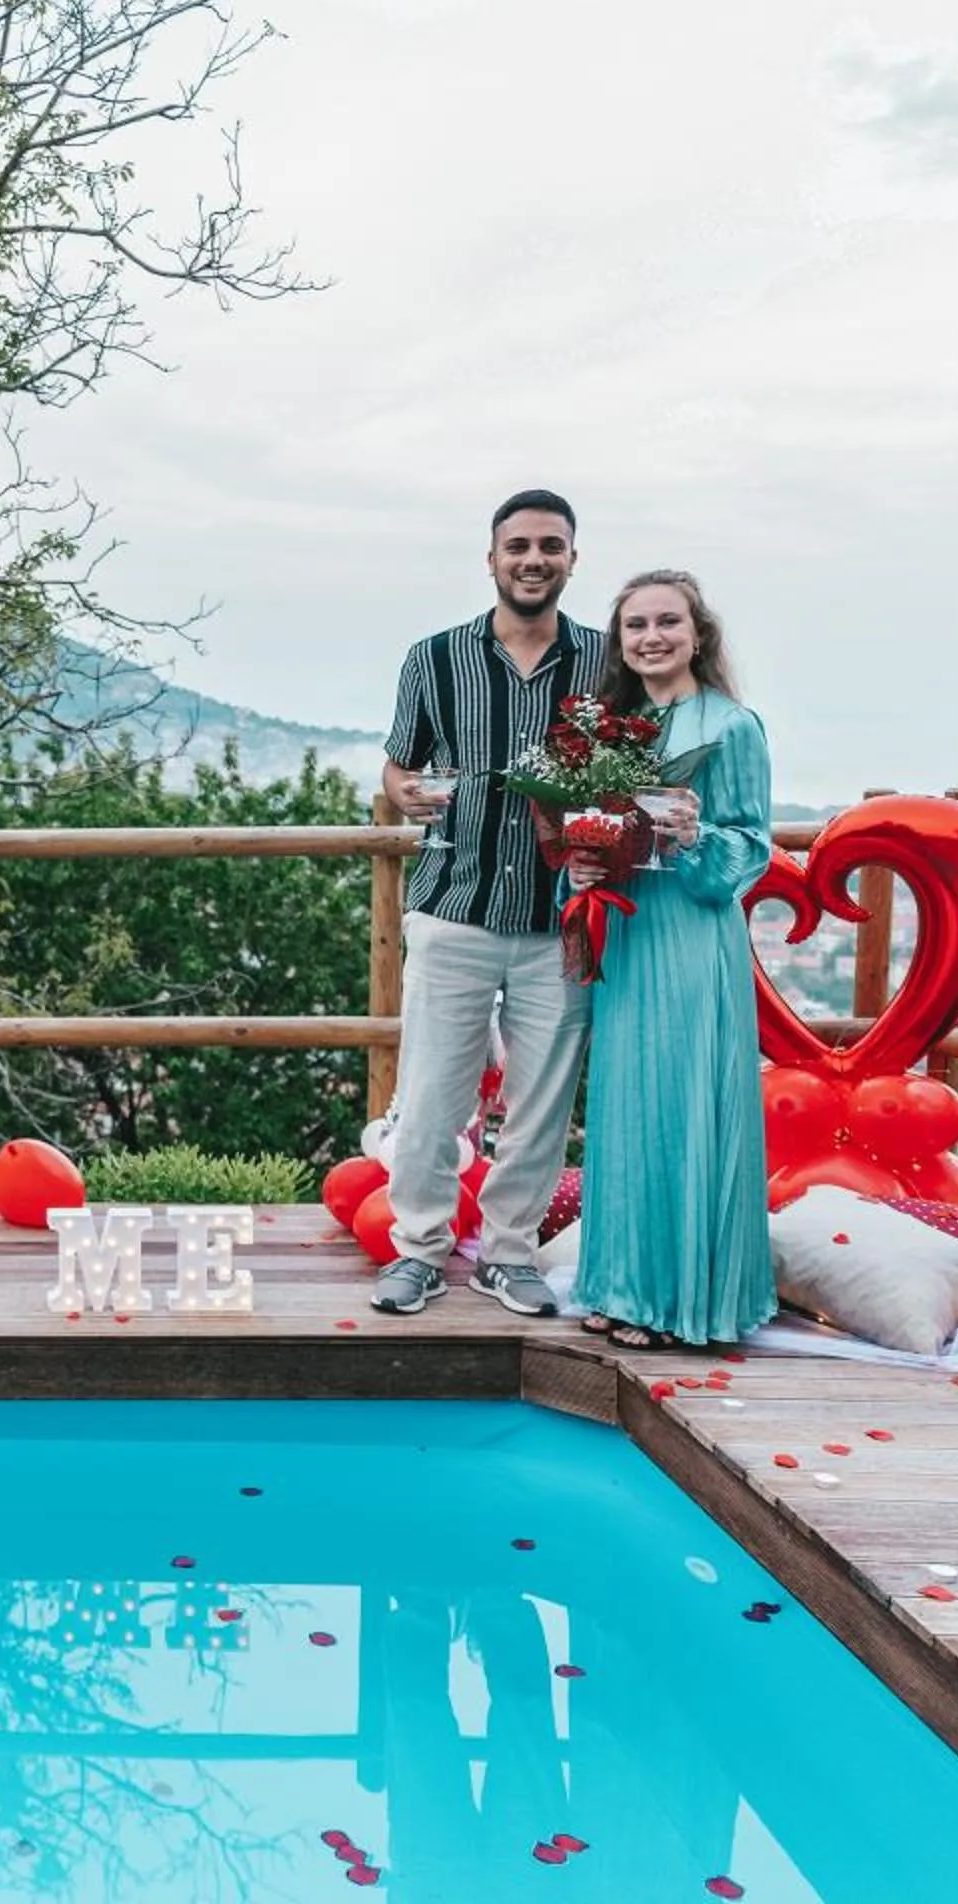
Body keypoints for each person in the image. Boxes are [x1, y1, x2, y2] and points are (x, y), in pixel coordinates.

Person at [372, 490, 605, 1318]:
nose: (533, 560)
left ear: (572, 559)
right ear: (492, 559)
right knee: (432, 1099)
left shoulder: (607, 663)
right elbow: (399, 767)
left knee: (541, 1105)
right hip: (452, 905)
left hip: (561, 919)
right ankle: (418, 1251)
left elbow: (633, 776)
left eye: (550, 546)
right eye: (519, 546)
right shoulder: (433, 658)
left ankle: (510, 1256)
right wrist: (404, 792)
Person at [564, 570, 776, 1349]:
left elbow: (751, 848)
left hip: (691, 934)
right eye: (636, 626)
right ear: (619, 642)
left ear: (698, 634)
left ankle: (682, 1301)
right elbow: (583, 830)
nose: (651, 637)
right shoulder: (608, 731)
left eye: (667, 622)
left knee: (684, 1107)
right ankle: (619, 1287)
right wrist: (577, 867)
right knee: (625, 1111)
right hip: (627, 933)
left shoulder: (733, 726)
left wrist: (696, 837)